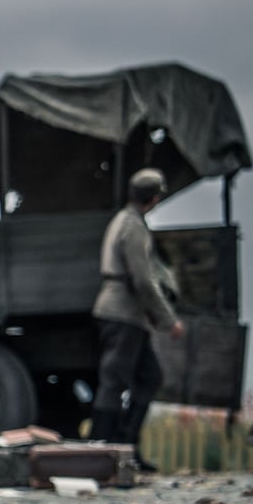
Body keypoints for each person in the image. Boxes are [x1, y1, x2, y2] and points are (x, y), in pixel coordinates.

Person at [90, 167, 182, 470]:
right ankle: (104, 446)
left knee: (149, 377)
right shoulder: (132, 226)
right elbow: (143, 280)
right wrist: (168, 320)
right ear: (154, 198)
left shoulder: (127, 221)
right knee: (114, 380)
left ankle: (127, 445)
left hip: (129, 315)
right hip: (123, 313)